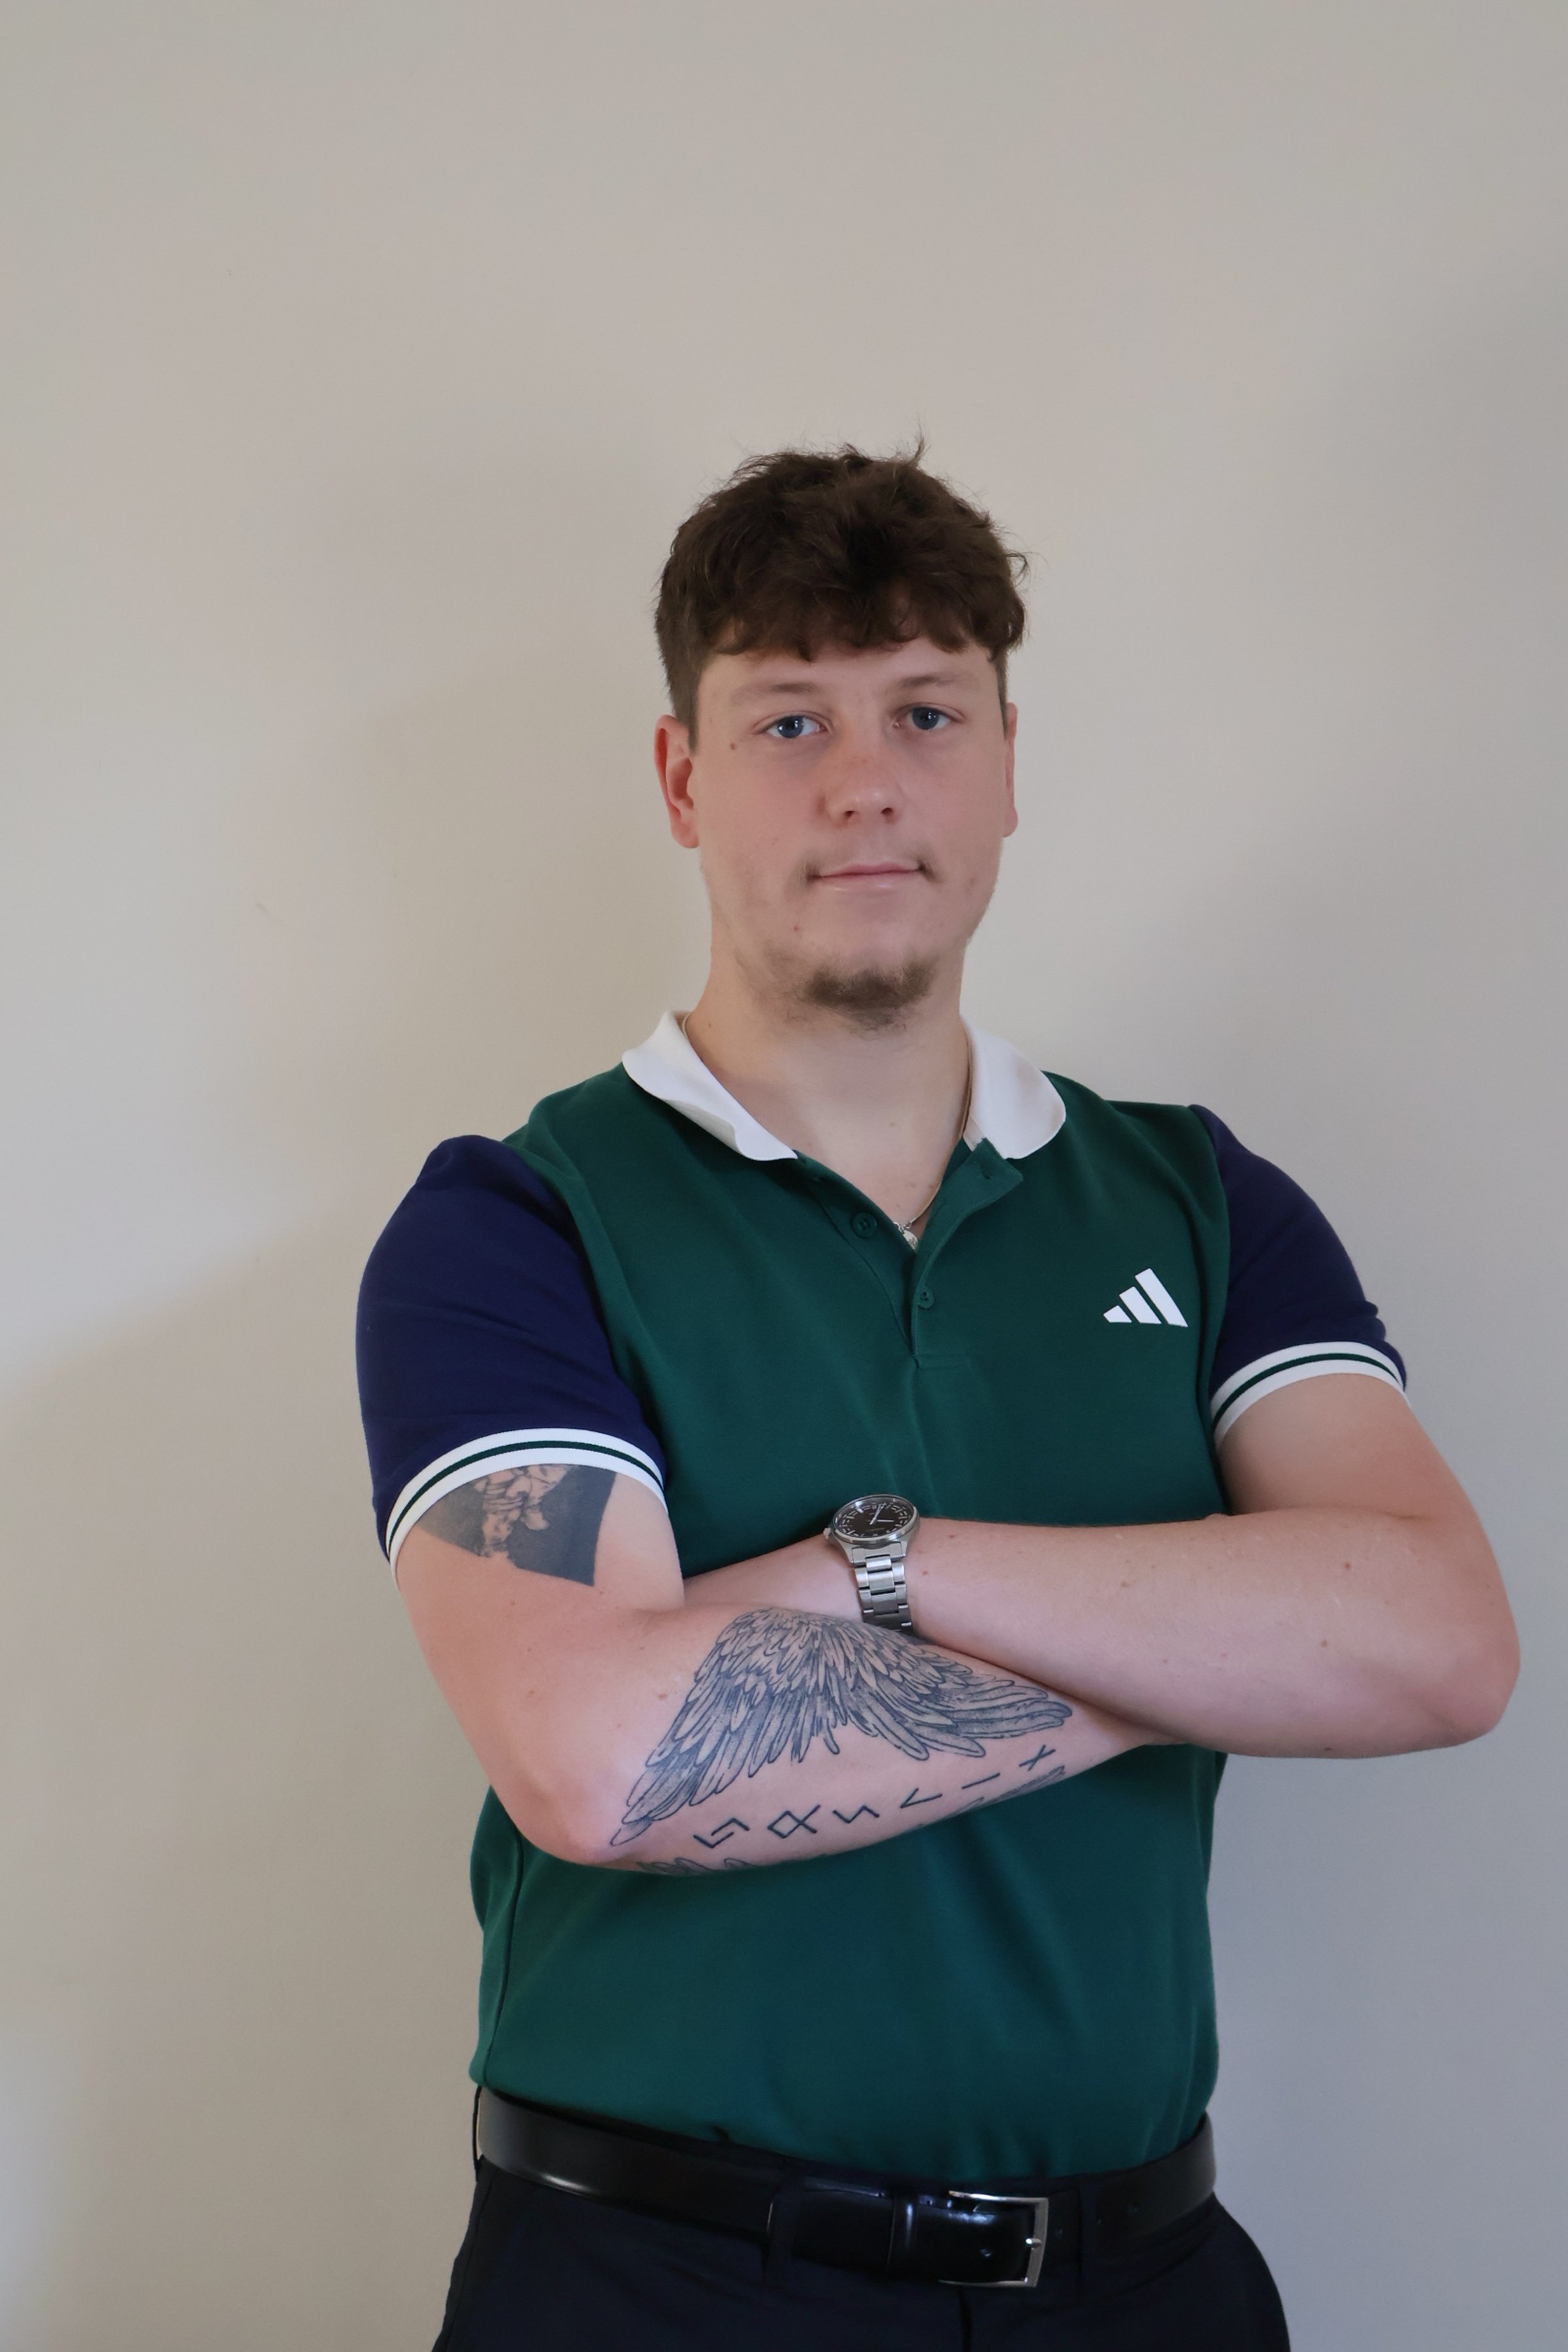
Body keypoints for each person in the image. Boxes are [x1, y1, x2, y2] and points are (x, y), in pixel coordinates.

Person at [355, 447, 1518, 2350]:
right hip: (659, 2285)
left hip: (1141, 2285)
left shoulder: (1203, 1204)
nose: (866, 777)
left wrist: (869, 1562)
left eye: (924, 709)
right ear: (682, 782)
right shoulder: (516, 1222)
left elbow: (1446, 1641)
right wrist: (1202, 1644)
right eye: (788, 715)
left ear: (1001, 764)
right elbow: (595, 1754)